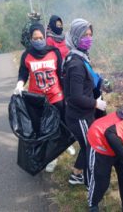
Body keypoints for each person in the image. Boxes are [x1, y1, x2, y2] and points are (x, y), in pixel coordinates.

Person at [13, 23, 65, 172]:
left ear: (45, 37)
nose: (39, 40)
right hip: (37, 100)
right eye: (35, 38)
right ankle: (50, 156)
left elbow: (61, 74)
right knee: (43, 129)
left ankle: (57, 151)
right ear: (30, 39)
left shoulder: (54, 52)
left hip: (56, 96)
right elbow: (23, 73)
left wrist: (66, 94)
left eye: (41, 37)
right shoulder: (27, 55)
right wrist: (20, 84)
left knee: (58, 126)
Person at [64, 18, 107, 185]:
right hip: (79, 116)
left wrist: (101, 82)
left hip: (84, 113)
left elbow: (87, 80)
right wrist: (96, 104)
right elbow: (75, 96)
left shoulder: (80, 57)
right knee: (90, 147)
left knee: (88, 145)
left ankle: (77, 175)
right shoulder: (75, 64)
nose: (88, 38)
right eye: (84, 35)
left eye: (90, 34)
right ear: (75, 36)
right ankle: (90, 183)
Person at [46, 14, 75, 156]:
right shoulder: (49, 40)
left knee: (68, 107)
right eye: (56, 24)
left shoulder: (65, 37)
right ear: (51, 25)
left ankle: (68, 138)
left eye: (60, 24)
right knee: (59, 109)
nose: (59, 27)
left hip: (69, 74)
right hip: (57, 77)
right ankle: (61, 141)